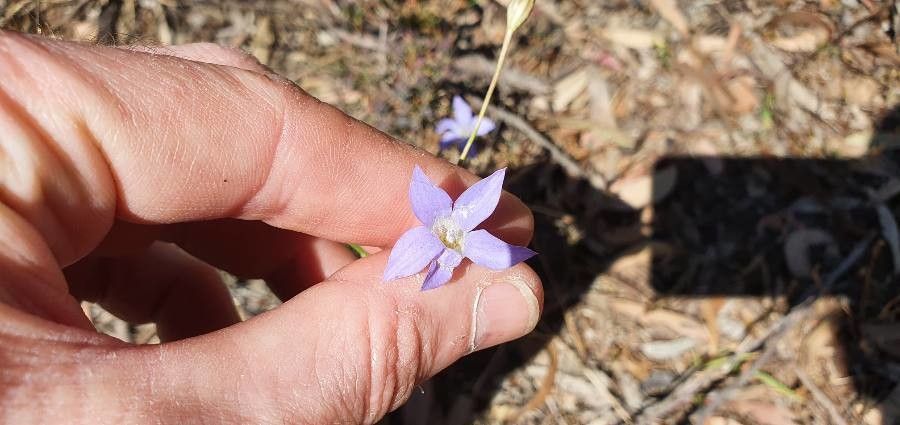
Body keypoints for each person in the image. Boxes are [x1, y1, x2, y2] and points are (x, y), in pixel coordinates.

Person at [0, 31, 543, 423]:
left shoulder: (454, 215)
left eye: (452, 234)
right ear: (439, 220)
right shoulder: (429, 219)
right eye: (448, 232)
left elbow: (475, 236)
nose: (450, 236)